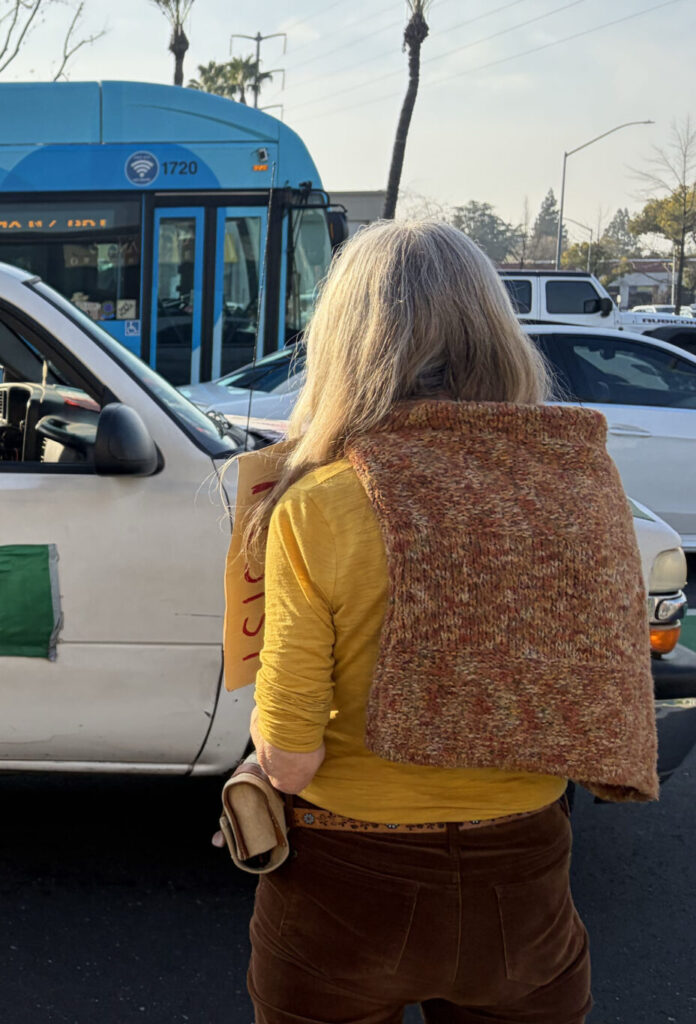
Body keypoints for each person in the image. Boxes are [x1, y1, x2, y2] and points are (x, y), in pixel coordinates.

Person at [241, 220, 658, 1023]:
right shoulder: (582, 483)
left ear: (346, 344)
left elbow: (289, 761)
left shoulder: (320, 504)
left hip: (344, 883)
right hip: (525, 877)